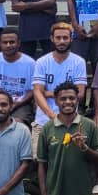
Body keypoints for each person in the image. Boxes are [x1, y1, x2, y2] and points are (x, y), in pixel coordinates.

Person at [36, 81, 98, 195]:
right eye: (63, 99)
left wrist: (84, 148)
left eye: (72, 98)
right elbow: (42, 164)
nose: (68, 102)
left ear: (77, 100)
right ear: (56, 101)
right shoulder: (47, 128)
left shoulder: (89, 125)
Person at [32, 22, 89, 152]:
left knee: (72, 155)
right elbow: (37, 92)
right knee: (36, 158)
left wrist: (49, 93)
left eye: (65, 38)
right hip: (44, 118)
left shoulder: (78, 62)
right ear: (52, 39)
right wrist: (53, 116)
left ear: (71, 39)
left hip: (71, 118)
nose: (61, 41)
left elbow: (80, 93)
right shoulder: (42, 62)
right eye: (58, 38)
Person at [0, 29, 36, 126]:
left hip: (20, 104)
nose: (8, 45)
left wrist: (19, 102)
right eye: (5, 42)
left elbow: (33, 90)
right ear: (0, 44)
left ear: (18, 43)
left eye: (12, 42)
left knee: (18, 125)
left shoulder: (30, 63)